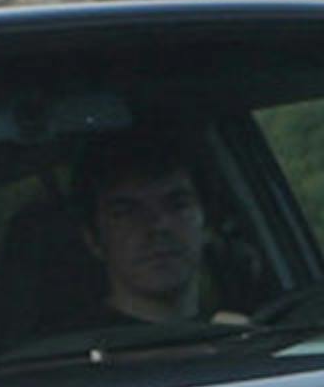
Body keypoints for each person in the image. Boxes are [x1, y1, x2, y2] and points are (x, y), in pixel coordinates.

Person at [73, 133, 219, 324]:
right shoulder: (66, 350)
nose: (158, 225)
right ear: (93, 240)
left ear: (207, 224)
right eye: (126, 212)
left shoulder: (247, 337)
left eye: (177, 205)